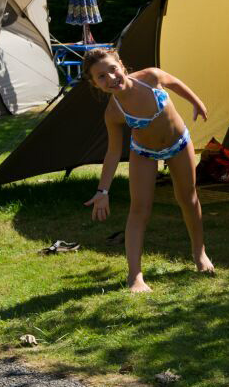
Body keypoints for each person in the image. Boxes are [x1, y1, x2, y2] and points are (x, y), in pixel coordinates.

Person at [81, 47, 214, 292]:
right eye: (101, 77)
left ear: (121, 65)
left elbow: (175, 83)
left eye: (113, 69)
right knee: (139, 209)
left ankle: (199, 253)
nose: (111, 78)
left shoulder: (151, 78)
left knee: (188, 198)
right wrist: (103, 190)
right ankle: (135, 277)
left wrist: (196, 102)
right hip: (144, 152)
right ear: (94, 84)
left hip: (179, 143)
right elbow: (112, 153)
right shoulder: (113, 112)